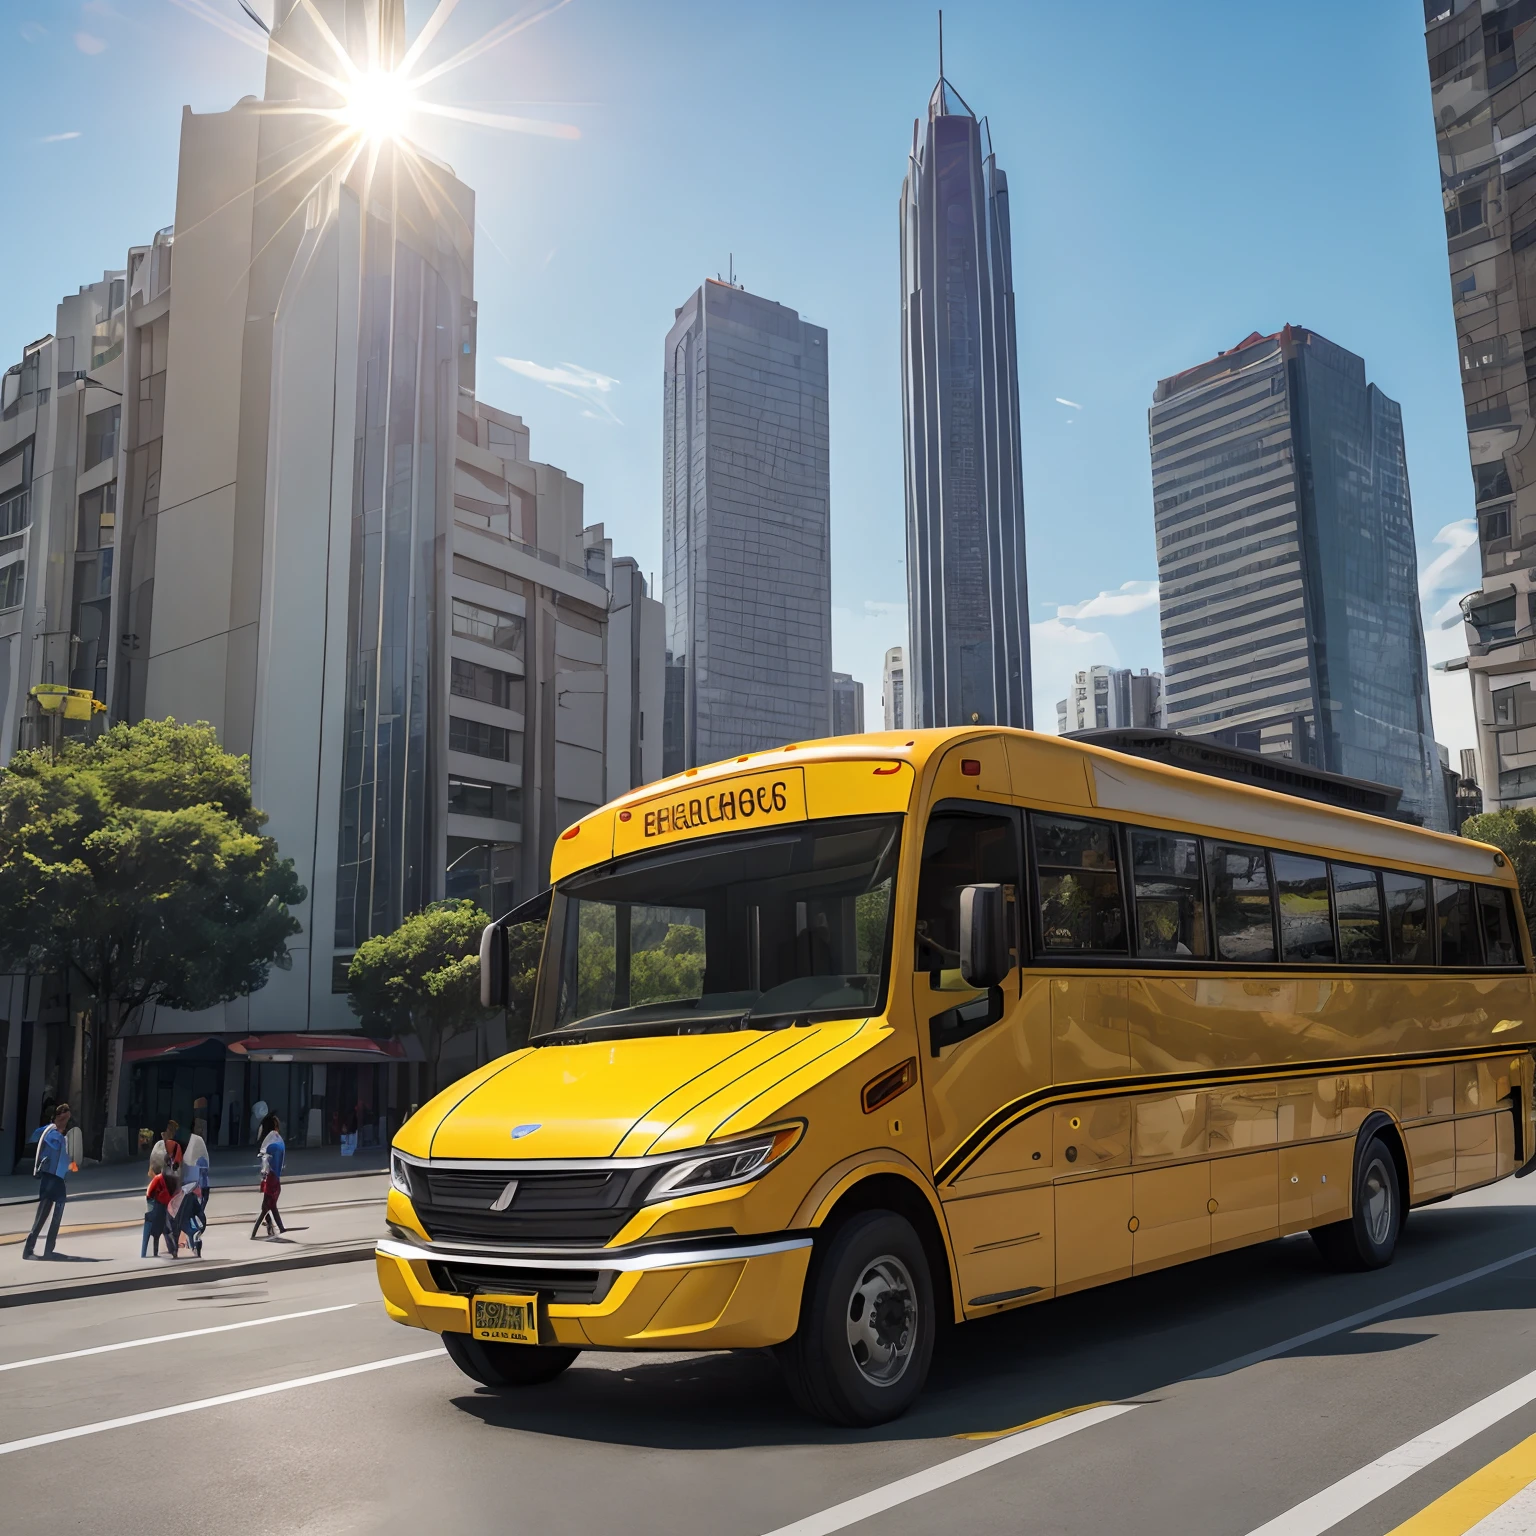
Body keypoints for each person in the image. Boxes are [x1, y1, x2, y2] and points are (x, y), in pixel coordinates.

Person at [23, 1103, 73, 1260]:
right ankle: (30, 1249)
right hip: (51, 1177)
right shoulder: (52, 1134)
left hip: (58, 1178)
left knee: (55, 1211)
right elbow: (55, 1151)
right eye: (62, 1115)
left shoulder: (59, 1135)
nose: (65, 1118)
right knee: (44, 1212)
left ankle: (48, 1249)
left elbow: (65, 1157)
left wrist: (71, 1165)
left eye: (67, 1115)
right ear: (57, 1117)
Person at [175, 1128, 211, 1258]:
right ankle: (193, 1244)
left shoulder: (189, 1160)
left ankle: (193, 1235)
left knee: (183, 1219)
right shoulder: (202, 1158)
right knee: (196, 1216)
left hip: (191, 1192)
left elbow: (186, 1179)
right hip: (203, 1190)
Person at [251, 1113, 287, 1239]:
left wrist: (264, 1177)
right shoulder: (276, 1140)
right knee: (271, 1206)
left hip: (271, 1179)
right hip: (274, 1179)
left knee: (266, 1208)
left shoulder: (270, 1142)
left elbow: (265, 1163)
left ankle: (254, 1234)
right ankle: (278, 1228)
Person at [142, 1166, 178, 1258]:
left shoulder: (158, 1178)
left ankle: (155, 1252)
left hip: (159, 1205)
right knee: (167, 1229)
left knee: (156, 1230)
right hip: (169, 1205)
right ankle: (173, 1250)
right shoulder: (174, 1177)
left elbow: (149, 1193)